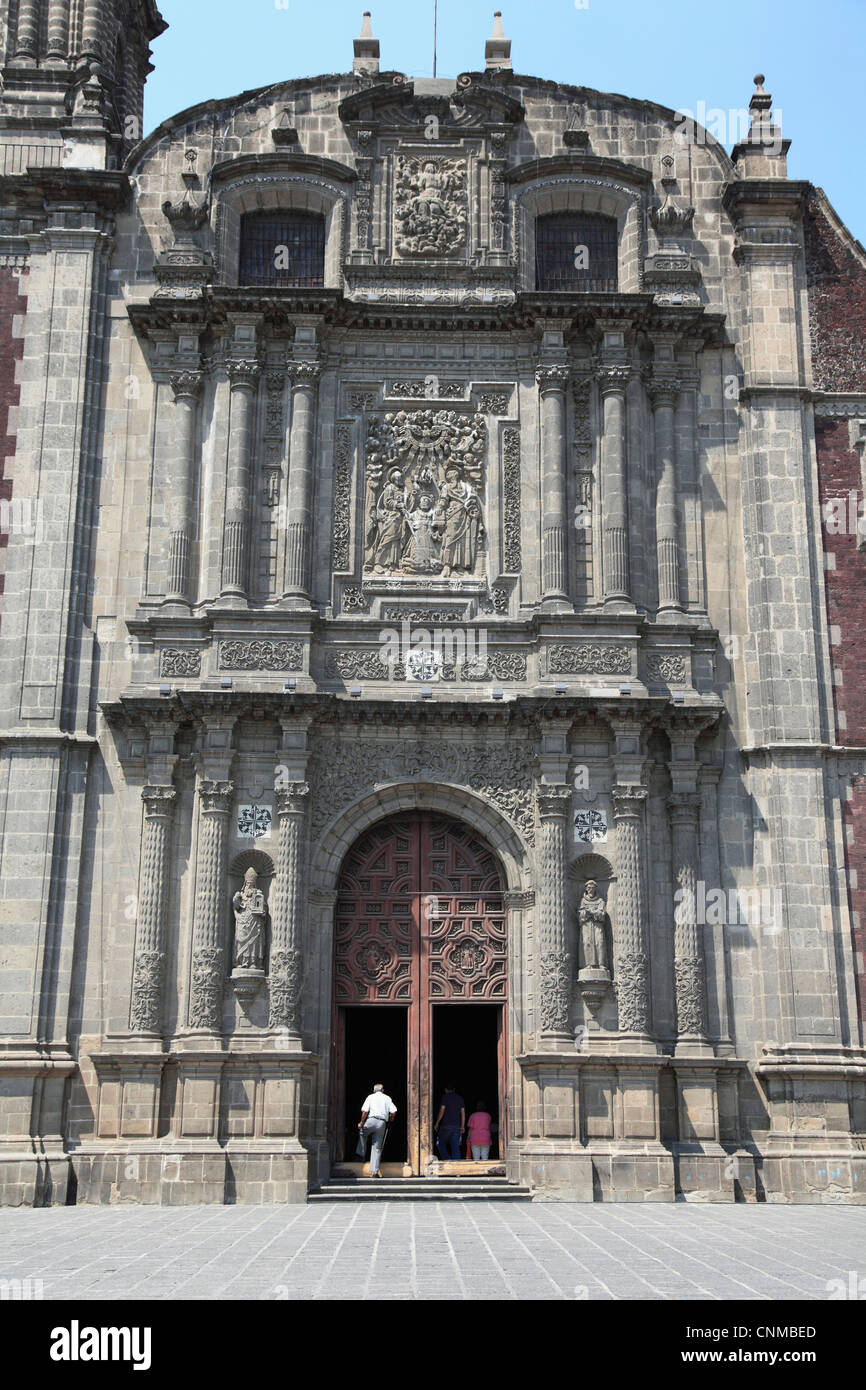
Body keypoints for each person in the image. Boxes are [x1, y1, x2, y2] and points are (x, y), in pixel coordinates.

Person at [358, 1083, 397, 1178]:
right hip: (381, 1123)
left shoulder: (370, 1097)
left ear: (374, 1091)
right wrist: (391, 1118)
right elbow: (394, 1111)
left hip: (371, 1120)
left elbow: (365, 1111)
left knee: (362, 1133)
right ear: (383, 1090)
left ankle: (360, 1154)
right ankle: (375, 1172)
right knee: (377, 1147)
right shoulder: (387, 1098)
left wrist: (361, 1123)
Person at [434, 1084, 465, 1160]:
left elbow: (442, 1110)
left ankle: (447, 1159)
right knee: (455, 1147)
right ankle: (456, 1165)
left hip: (446, 1126)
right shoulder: (460, 1098)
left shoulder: (445, 1097)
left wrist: (437, 1122)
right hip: (457, 1126)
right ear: (454, 1089)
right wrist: (462, 1126)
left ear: (446, 1090)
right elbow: (463, 1113)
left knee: (440, 1144)